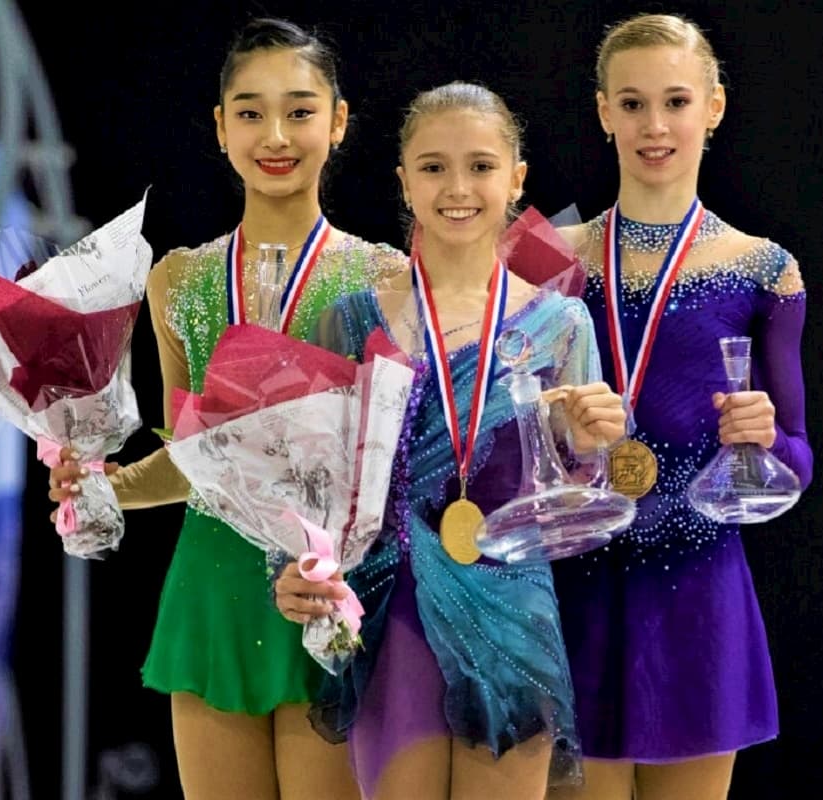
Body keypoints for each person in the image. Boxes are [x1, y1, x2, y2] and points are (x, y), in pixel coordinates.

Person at [47, 18, 406, 799]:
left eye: (301, 110)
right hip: (212, 588)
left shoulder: (387, 279)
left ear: (339, 122)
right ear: (220, 128)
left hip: (330, 589)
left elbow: (399, 460)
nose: (275, 134)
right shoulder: (175, 280)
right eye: (250, 111)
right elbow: (191, 458)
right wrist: (99, 486)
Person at [274, 81, 627, 800]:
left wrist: (587, 440)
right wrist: (293, 566)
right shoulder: (349, 321)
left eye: (481, 166)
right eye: (433, 167)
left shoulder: (561, 324)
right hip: (389, 609)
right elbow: (312, 486)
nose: (457, 187)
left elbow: (586, 500)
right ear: (403, 180)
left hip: (511, 613)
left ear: (516, 178)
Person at [550, 13, 815, 800]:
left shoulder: (765, 268)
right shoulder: (549, 261)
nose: (654, 126)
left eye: (675, 101)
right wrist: (553, 427)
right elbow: (500, 435)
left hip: (697, 588)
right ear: (603, 113)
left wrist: (766, 444)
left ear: (715, 108)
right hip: (578, 581)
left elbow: (798, 457)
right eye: (631, 104)